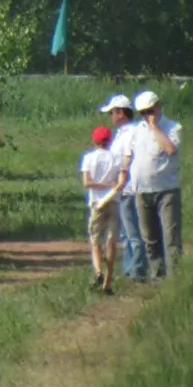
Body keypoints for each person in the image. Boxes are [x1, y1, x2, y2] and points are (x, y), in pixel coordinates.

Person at [126, 90, 183, 279]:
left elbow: (170, 149)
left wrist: (154, 127)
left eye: (149, 111)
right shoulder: (136, 130)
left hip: (166, 189)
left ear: (158, 107)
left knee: (170, 236)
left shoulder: (173, 127)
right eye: (142, 113)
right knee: (149, 237)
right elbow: (130, 155)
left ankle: (175, 276)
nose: (146, 116)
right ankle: (158, 274)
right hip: (142, 189)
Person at [99, 95, 144, 281]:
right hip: (122, 186)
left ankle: (136, 270)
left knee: (132, 230)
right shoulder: (123, 132)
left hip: (129, 186)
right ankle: (129, 268)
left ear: (120, 113)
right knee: (126, 231)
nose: (110, 116)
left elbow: (127, 158)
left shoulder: (131, 132)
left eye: (112, 112)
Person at [81, 123, 125, 293]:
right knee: (111, 241)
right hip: (113, 202)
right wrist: (111, 186)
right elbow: (121, 181)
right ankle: (108, 280)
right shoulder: (116, 158)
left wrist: (101, 185)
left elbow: (87, 183)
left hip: (97, 204)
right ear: (109, 140)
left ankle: (98, 271)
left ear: (95, 140)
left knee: (95, 240)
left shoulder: (89, 158)